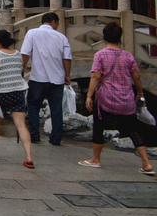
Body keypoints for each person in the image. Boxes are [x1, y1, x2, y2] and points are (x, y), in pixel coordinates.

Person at [79, 22, 154, 174]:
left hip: (105, 98)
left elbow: (96, 76)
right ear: (120, 38)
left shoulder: (100, 55)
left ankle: (96, 159)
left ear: (104, 37)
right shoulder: (128, 56)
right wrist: (140, 93)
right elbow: (137, 77)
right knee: (133, 129)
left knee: (99, 127)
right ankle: (146, 163)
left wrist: (89, 95)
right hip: (126, 99)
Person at [0, 30, 34, 168]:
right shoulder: (18, 54)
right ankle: (28, 157)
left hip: (0, 94)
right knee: (21, 125)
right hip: (18, 92)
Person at [21, 12, 72, 145]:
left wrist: (22, 68)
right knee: (56, 109)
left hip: (38, 78)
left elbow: (25, 53)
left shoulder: (32, 33)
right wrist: (67, 75)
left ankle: (34, 135)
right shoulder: (62, 37)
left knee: (33, 106)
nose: (58, 26)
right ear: (54, 22)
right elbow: (67, 59)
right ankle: (56, 138)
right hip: (57, 79)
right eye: (58, 23)